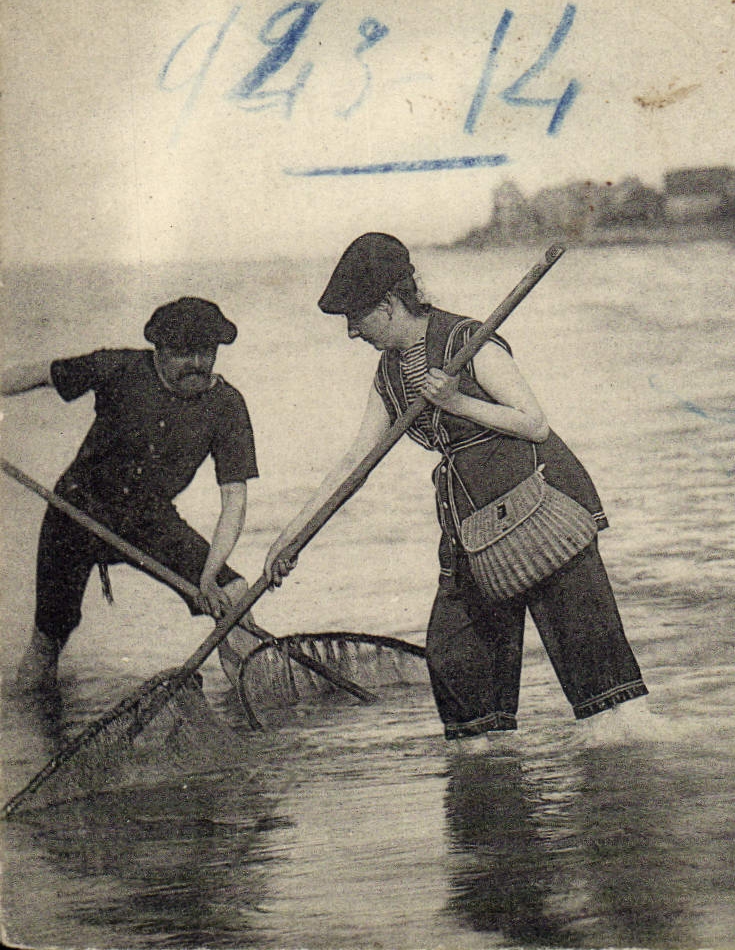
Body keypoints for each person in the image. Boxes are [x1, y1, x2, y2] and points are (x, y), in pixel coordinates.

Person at [264, 234, 652, 750]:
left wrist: (456, 402)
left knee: (599, 678)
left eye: (356, 318)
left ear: (389, 305)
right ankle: (490, 781)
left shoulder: (468, 340)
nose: (352, 332)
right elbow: (356, 462)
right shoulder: (390, 374)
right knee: (458, 661)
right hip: (471, 521)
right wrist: (290, 538)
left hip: (541, 509)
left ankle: (630, 779)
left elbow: (535, 424)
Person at [3, 297, 262, 692]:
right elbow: (42, 374)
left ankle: (254, 704)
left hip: (147, 519)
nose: (195, 363)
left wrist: (209, 574)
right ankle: (27, 730)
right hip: (75, 512)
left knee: (233, 596)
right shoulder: (120, 368)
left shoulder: (227, 406)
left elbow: (235, 501)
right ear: (157, 351)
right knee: (48, 637)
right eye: (181, 353)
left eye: (204, 352)